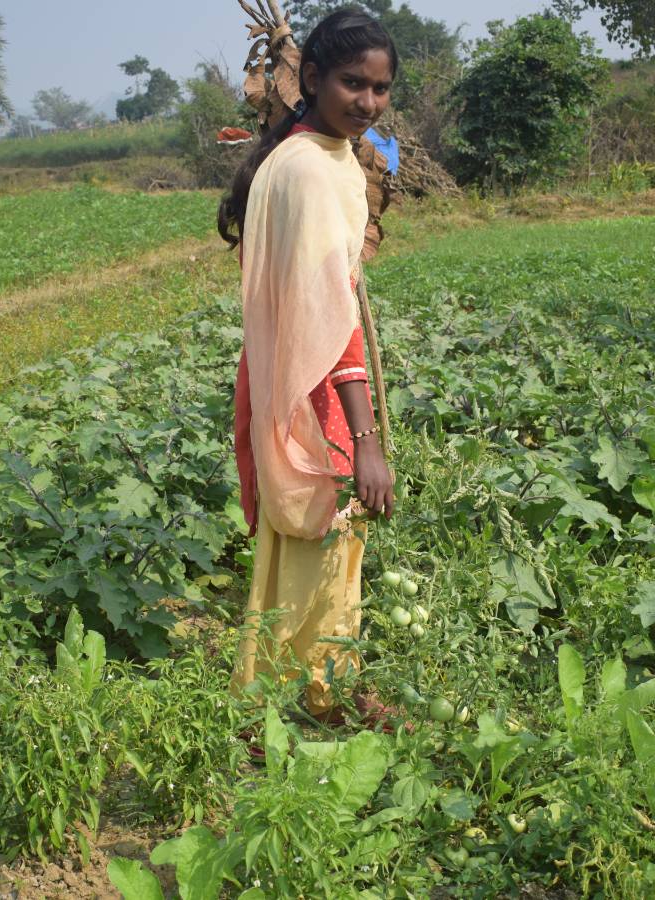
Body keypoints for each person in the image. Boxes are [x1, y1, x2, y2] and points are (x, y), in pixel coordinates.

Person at [218, 10, 398, 724]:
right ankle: (302, 699)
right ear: (314, 78)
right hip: (313, 378)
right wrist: (366, 439)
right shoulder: (311, 171)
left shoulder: (308, 154)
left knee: (311, 544)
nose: (368, 102)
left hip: (284, 371)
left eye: (381, 89)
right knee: (319, 537)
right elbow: (330, 322)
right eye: (354, 84)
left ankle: (312, 688)